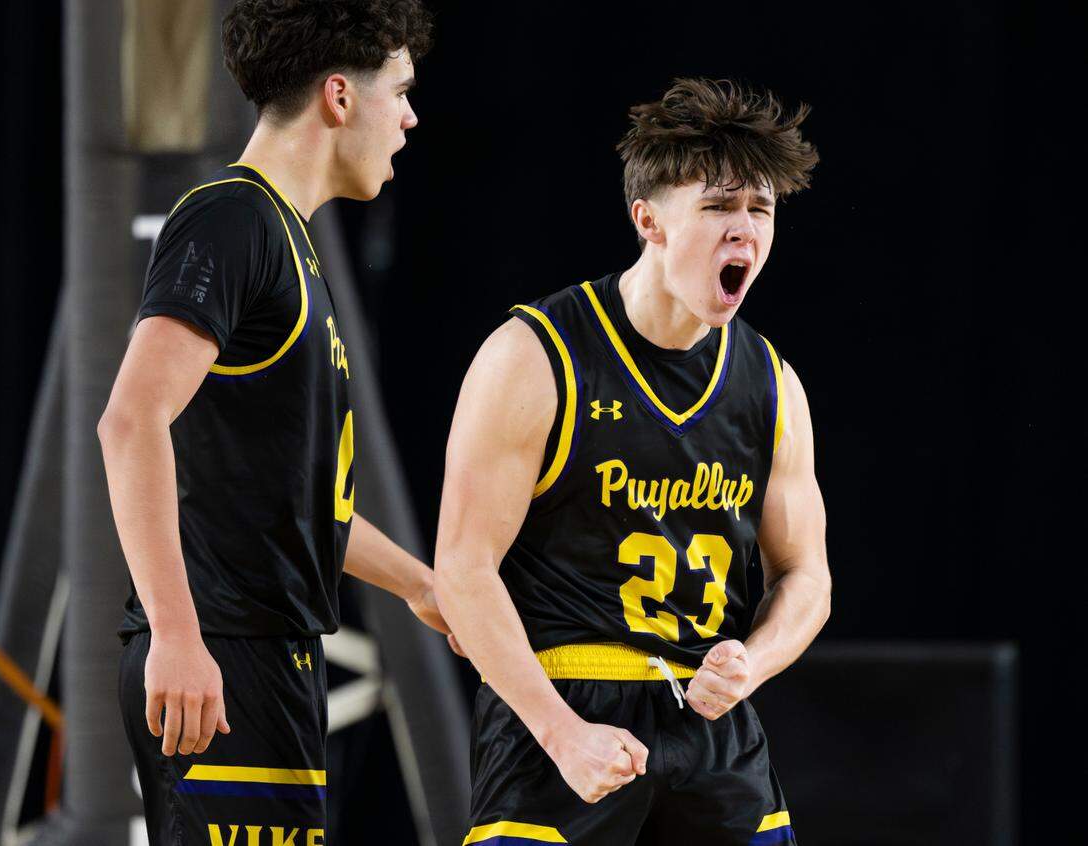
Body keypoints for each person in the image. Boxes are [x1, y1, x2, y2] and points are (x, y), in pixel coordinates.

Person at [435, 77, 831, 845]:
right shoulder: (535, 355)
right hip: (563, 707)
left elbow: (806, 576)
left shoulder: (771, 382)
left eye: (761, 209)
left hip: (711, 723)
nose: (744, 230)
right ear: (648, 219)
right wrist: (559, 732)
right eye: (718, 207)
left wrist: (752, 662)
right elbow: (462, 567)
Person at [97, 2, 440, 843]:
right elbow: (130, 421)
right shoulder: (233, 217)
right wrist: (178, 634)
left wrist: (421, 586)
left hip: (268, 656)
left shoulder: (288, 241)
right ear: (339, 96)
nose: (410, 118)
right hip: (223, 652)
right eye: (400, 92)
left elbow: (292, 503)